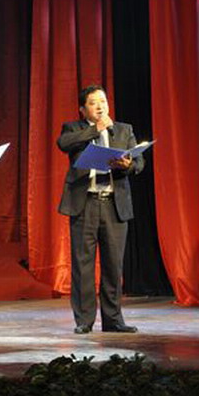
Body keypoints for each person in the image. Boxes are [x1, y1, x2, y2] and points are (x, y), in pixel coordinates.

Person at [57, 84, 144, 334]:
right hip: (85, 204)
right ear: (83, 109)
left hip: (114, 205)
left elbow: (139, 163)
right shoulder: (74, 129)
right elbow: (63, 143)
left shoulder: (124, 129)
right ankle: (84, 321)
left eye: (103, 102)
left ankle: (113, 320)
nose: (100, 107)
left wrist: (127, 165)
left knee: (113, 265)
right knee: (83, 265)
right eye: (93, 103)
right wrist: (95, 129)